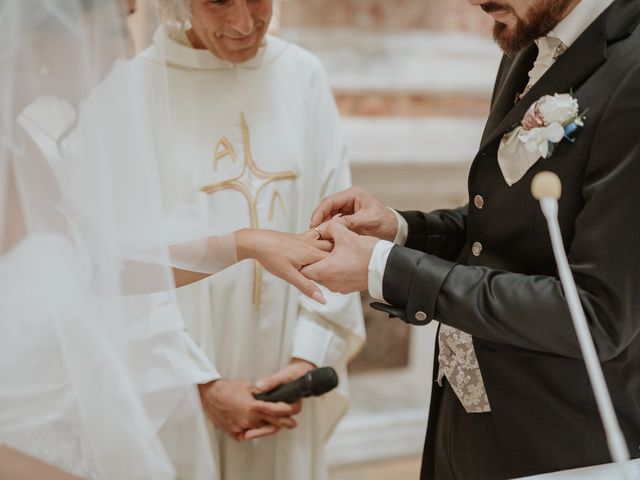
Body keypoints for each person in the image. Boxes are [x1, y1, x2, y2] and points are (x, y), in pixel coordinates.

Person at [303, 0, 640, 478]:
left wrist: (388, 269)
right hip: (467, 416)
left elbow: (597, 314)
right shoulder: (525, 39)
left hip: (563, 441)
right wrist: (402, 230)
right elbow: (510, 230)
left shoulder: (633, 69)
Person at [0, 0, 334, 478]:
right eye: (116, 28)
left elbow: (97, 267)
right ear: (42, 37)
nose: (123, 52)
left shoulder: (20, 145)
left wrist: (245, 243)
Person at [131, 1, 365, 479]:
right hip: (175, 379)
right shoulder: (136, 87)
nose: (244, 24)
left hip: (288, 371)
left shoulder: (302, 76)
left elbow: (339, 227)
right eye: (218, 1)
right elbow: (123, 263)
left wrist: (308, 356)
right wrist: (201, 386)